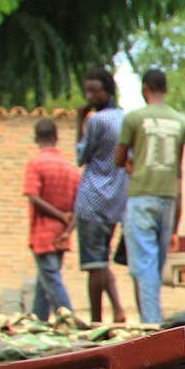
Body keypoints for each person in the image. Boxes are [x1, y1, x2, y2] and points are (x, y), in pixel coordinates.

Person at [114, 69, 185, 325]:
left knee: (144, 264)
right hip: (168, 196)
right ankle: (150, 316)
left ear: (145, 88)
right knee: (155, 263)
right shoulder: (180, 121)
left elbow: (118, 159)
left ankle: (152, 323)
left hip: (142, 194)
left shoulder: (135, 118)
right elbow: (179, 167)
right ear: (165, 89)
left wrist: (132, 163)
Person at [73, 68, 129, 324]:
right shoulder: (124, 118)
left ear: (107, 90)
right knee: (102, 259)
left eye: (95, 90)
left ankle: (96, 319)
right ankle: (118, 308)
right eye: (88, 90)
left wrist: (79, 123)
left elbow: (81, 156)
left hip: (92, 198)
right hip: (116, 200)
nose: (90, 95)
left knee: (94, 263)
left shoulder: (96, 121)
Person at [23, 119, 79, 320]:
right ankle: (39, 319)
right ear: (57, 138)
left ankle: (69, 318)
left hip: (43, 233)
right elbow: (77, 208)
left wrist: (59, 215)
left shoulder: (35, 164)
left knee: (52, 279)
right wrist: (67, 230)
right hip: (61, 234)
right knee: (44, 280)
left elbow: (33, 197)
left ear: (36, 138)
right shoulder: (71, 169)